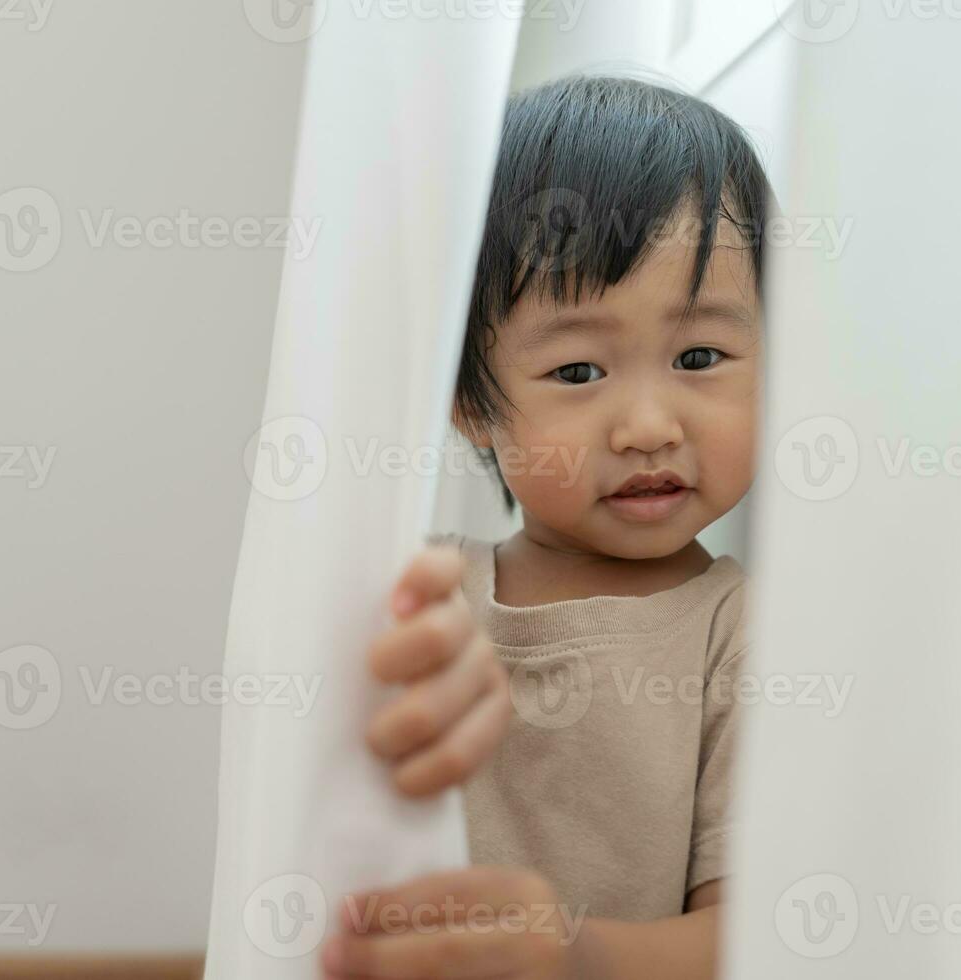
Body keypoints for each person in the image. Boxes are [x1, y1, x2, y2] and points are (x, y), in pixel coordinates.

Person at [320, 72, 775, 979]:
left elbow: (754, 937)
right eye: (577, 373)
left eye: (699, 357)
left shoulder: (746, 633)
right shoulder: (424, 594)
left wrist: (578, 956)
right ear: (468, 403)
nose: (649, 425)